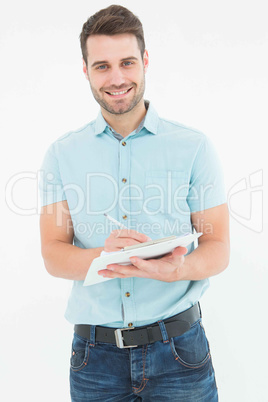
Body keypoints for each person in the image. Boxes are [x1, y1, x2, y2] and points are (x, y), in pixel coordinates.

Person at [39, 4, 230, 401]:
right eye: (102, 66)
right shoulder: (61, 155)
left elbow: (219, 248)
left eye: (127, 62)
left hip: (180, 353)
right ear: (86, 70)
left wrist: (178, 270)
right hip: (95, 361)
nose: (117, 78)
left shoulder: (193, 147)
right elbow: (53, 254)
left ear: (145, 61)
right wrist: (101, 256)